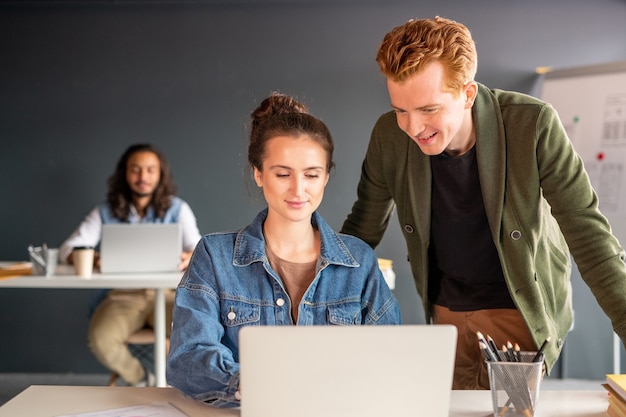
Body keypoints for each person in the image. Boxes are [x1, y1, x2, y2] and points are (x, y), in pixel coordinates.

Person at [340, 16, 626, 390]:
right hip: (444, 313)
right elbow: (361, 231)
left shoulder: (533, 125)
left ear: (468, 94)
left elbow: (590, 238)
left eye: (428, 109)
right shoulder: (388, 137)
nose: (412, 127)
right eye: (400, 110)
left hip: (519, 310)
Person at [167, 92, 402, 407]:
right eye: (282, 174)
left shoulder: (359, 261)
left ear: (326, 177)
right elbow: (188, 359)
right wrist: (257, 384)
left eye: (311, 175)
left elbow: (392, 359)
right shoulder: (214, 255)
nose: (298, 189)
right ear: (258, 173)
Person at [60, 143, 201, 386]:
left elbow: (200, 249)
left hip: (169, 295)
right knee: (101, 339)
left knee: (197, 330)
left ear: (160, 174)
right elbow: (68, 250)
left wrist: (192, 256)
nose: (143, 176)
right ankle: (141, 379)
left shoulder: (178, 208)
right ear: (125, 174)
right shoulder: (105, 211)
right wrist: (92, 258)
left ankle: (185, 386)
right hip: (123, 297)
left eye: (149, 170)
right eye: (135, 169)